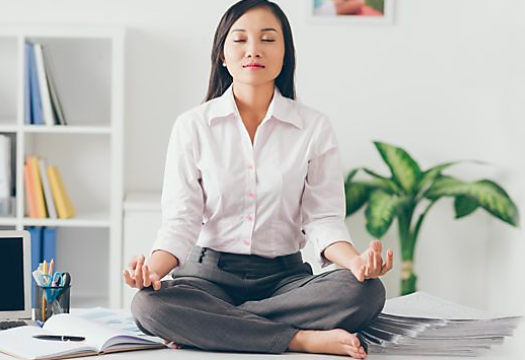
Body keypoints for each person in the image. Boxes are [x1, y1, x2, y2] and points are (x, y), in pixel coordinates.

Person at [124, 0, 393, 358]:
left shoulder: (313, 127)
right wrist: (151, 273)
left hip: (284, 281)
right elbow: (181, 221)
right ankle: (298, 338)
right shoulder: (193, 126)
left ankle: (214, 328)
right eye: (240, 40)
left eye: (268, 39)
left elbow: (323, 219)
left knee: (366, 292)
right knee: (148, 306)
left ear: (285, 54)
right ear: (222, 53)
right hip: (207, 278)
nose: (253, 50)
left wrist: (356, 263)